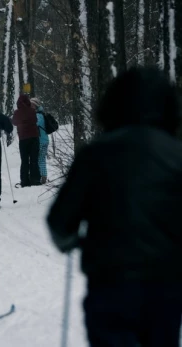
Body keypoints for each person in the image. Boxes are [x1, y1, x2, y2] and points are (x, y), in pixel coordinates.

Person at [47, 67, 182, 347]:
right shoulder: (176, 156)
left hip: (111, 281)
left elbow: (60, 221)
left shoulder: (96, 153)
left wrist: (74, 241)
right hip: (166, 284)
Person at [12, 94, 40, 187]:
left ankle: (24, 181)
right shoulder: (32, 111)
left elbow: (14, 122)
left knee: (24, 161)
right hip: (34, 137)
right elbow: (35, 120)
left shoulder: (17, 112)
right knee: (34, 159)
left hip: (23, 139)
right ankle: (35, 179)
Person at [31, 98, 49, 184]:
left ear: (36, 106)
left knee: (39, 159)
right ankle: (43, 176)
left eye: (32, 105)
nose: (31, 106)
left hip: (41, 140)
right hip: (44, 139)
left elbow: (35, 124)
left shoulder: (38, 115)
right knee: (41, 159)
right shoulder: (41, 114)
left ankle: (42, 177)